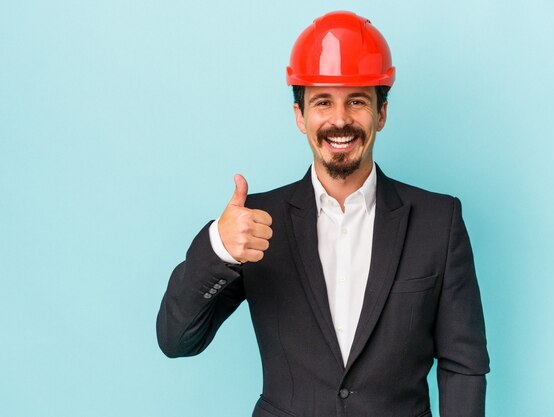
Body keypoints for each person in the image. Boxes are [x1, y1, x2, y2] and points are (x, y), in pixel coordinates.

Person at [156, 11, 489, 417]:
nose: (340, 119)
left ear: (381, 114)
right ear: (300, 116)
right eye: (322, 102)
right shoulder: (259, 222)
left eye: (357, 101)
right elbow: (176, 340)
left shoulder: (439, 221)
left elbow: (463, 365)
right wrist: (219, 247)